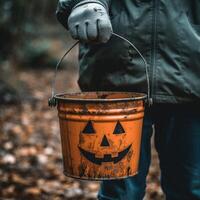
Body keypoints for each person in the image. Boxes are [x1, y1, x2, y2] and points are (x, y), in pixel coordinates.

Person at [56, 0, 200, 199]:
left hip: (191, 79)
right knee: (119, 193)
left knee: (190, 189)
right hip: (116, 81)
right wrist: (85, 2)